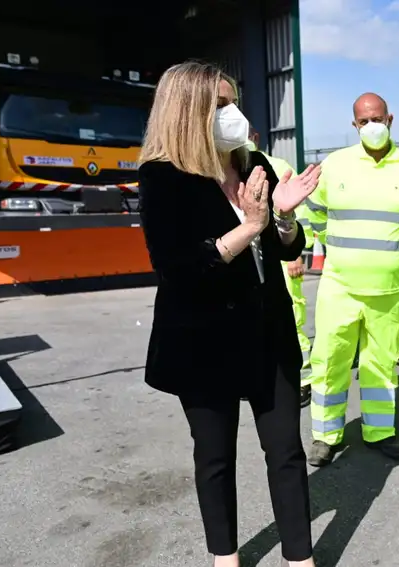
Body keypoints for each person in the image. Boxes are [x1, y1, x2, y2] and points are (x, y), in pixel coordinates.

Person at [137, 61, 320, 567]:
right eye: (219, 105)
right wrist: (248, 227)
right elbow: (177, 267)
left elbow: (285, 250)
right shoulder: (163, 177)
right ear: (187, 110)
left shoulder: (253, 161)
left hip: (268, 332)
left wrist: (282, 219)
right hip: (203, 337)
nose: (232, 113)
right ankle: (226, 557)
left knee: (286, 452)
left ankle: (299, 558)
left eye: (233, 101)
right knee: (215, 458)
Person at [305, 93, 399, 467]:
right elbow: (315, 216)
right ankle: (325, 436)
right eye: (364, 122)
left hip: (391, 291)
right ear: (354, 125)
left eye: (377, 119)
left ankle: (379, 431)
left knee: (380, 365)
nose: (371, 126)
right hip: (340, 287)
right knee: (330, 361)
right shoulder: (336, 166)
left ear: (390, 119)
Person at [248, 128, 314, 406]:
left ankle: (302, 378)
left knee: (292, 318)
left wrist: (297, 256)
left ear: (255, 138)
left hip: (280, 257)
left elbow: (303, 215)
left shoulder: (278, 166)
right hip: (248, 259)